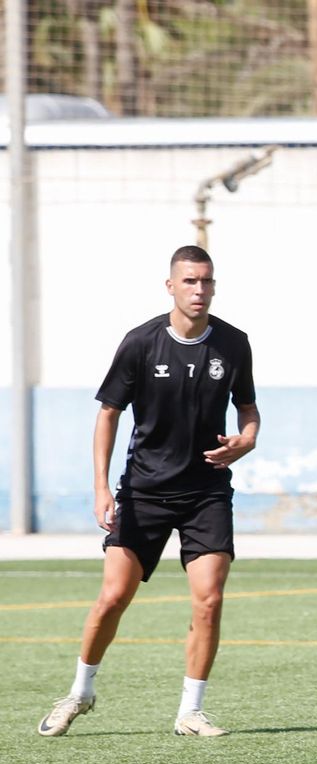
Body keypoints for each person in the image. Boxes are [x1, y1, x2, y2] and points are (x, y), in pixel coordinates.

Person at [39, 245, 260, 738]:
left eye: (206, 281)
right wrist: (101, 487)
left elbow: (247, 409)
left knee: (209, 600)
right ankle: (80, 692)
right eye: (189, 281)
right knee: (112, 597)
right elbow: (108, 414)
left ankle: (191, 711)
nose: (198, 290)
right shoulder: (140, 343)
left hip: (206, 492)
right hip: (144, 492)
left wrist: (246, 441)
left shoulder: (234, 343)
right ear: (170, 286)